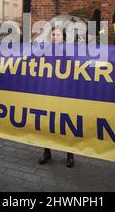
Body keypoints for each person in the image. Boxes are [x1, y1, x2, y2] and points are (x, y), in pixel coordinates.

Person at [38, 27, 75, 168]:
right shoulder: (45, 50)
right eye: (53, 34)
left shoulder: (70, 50)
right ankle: (47, 152)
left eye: (57, 34)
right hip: (48, 91)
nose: (55, 36)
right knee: (47, 123)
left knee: (65, 124)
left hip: (65, 92)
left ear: (63, 36)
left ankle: (70, 154)